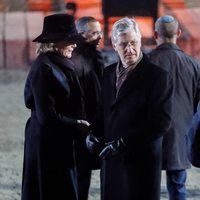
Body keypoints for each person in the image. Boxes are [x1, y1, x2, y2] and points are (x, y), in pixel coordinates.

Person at [86, 17, 173, 200]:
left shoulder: (157, 77)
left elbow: (161, 122)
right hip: (112, 161)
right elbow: (104, 111)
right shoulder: (108, 73)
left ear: (140, 41)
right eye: (124, 44)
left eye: (133, 43)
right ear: (114, 45)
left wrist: (124, 142)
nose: (130, 49)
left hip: (141, 163)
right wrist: (94, 133)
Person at [21, 13, 90, 200]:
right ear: (55, 42)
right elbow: (46, 116)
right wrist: (76, 123)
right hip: (46, 146)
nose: (74, 45)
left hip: (58, 142)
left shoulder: (60, 64)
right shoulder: (43, 68)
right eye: (70, 40)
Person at [148, 15, 200, 200]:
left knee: (147, 187)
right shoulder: (193, 65)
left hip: (150, 137)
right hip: (181, 137)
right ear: (178, 33)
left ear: (155, 34)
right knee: (178, 188)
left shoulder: (146, 63)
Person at [71, 16, 104, 200]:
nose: (100, 36)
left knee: (85, 174)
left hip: (92, 123)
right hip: (81, 125)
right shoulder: (76, 59)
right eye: (94, 33)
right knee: (80, 174)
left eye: (100, 31)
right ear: (81, 34)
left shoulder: (94, 54)